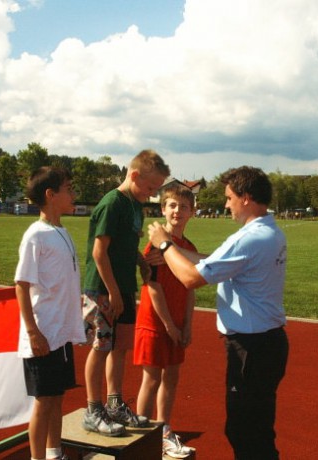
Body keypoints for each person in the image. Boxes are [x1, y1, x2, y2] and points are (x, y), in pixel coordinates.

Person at [148, 166, 289, 460]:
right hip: (267, 343)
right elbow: (213, 260)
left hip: (251, 347)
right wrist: (172, 248)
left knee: (244, 432)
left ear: (246, 198)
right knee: (258, 429)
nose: (226, 204)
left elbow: (190, 278)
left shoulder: (250, 238)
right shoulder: (268, 232)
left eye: (228, 198)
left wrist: (163, 242)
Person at [82, 149, 170, 436]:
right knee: (101, 347)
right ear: (134, 176)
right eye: (150, 187)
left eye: (156, 189)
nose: (153, 193)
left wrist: (141, 262)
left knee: (119, 347)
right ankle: (93, 410)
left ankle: (115, 404)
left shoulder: (135, 205)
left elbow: (125, 244)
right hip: (103, 290)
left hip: (122, 287)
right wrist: (113, 292)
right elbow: (99, 252)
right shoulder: (113, 203)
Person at [14, 166, 85, 460]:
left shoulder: (62, 231)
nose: (74, 194)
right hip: (43, 334)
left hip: (61, 334)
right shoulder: (36, 236)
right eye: (68, 188)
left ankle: (55, 453)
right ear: (50, 195)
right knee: (44, 402)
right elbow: (21, 284)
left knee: (57, 397)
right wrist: (32, 332)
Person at [134, 185, 197, 458]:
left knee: (171, 377)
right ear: (162, 209)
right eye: (172, 205)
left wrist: (187, 324)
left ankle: (163, 428)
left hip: (177, 323)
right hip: (155, 322)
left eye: (184, 207)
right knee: (151, 379)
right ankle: (141, 435)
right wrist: (170, 325)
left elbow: (191, 287)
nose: (177, 211)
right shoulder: (157, 246)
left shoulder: (189, 248)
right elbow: (153, 288)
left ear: (192, 212)